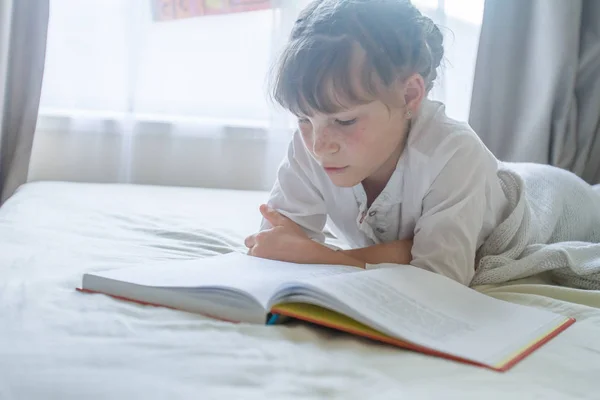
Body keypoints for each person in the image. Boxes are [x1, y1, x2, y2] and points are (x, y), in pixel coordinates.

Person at [244, 0, 510, 286]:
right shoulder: (309, 145)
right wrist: (401, 251)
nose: (319, 147)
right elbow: (277, 244)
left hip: (540, 199)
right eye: (303, 119)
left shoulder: (453, 154)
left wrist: (321, 256)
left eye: (344, 122)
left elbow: (440, 279)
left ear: (409, 95)